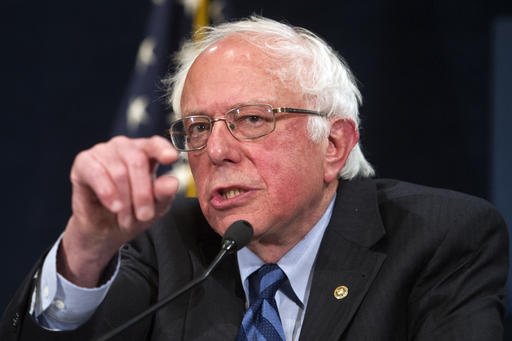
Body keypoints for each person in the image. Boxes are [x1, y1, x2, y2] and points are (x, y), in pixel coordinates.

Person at [0, 16, 508, 341]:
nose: (216, 150)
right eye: (198, 127)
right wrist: (88, 246)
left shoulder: (439, 239)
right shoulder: (163, 245)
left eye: (252, 119)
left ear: (333, 145)